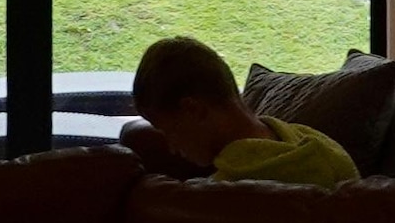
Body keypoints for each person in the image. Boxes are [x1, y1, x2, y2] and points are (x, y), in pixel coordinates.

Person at [122, 36, 358, 187]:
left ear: (194, 110)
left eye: (169, 131)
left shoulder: (217, 199)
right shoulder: (325, 149)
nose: (173, 148)